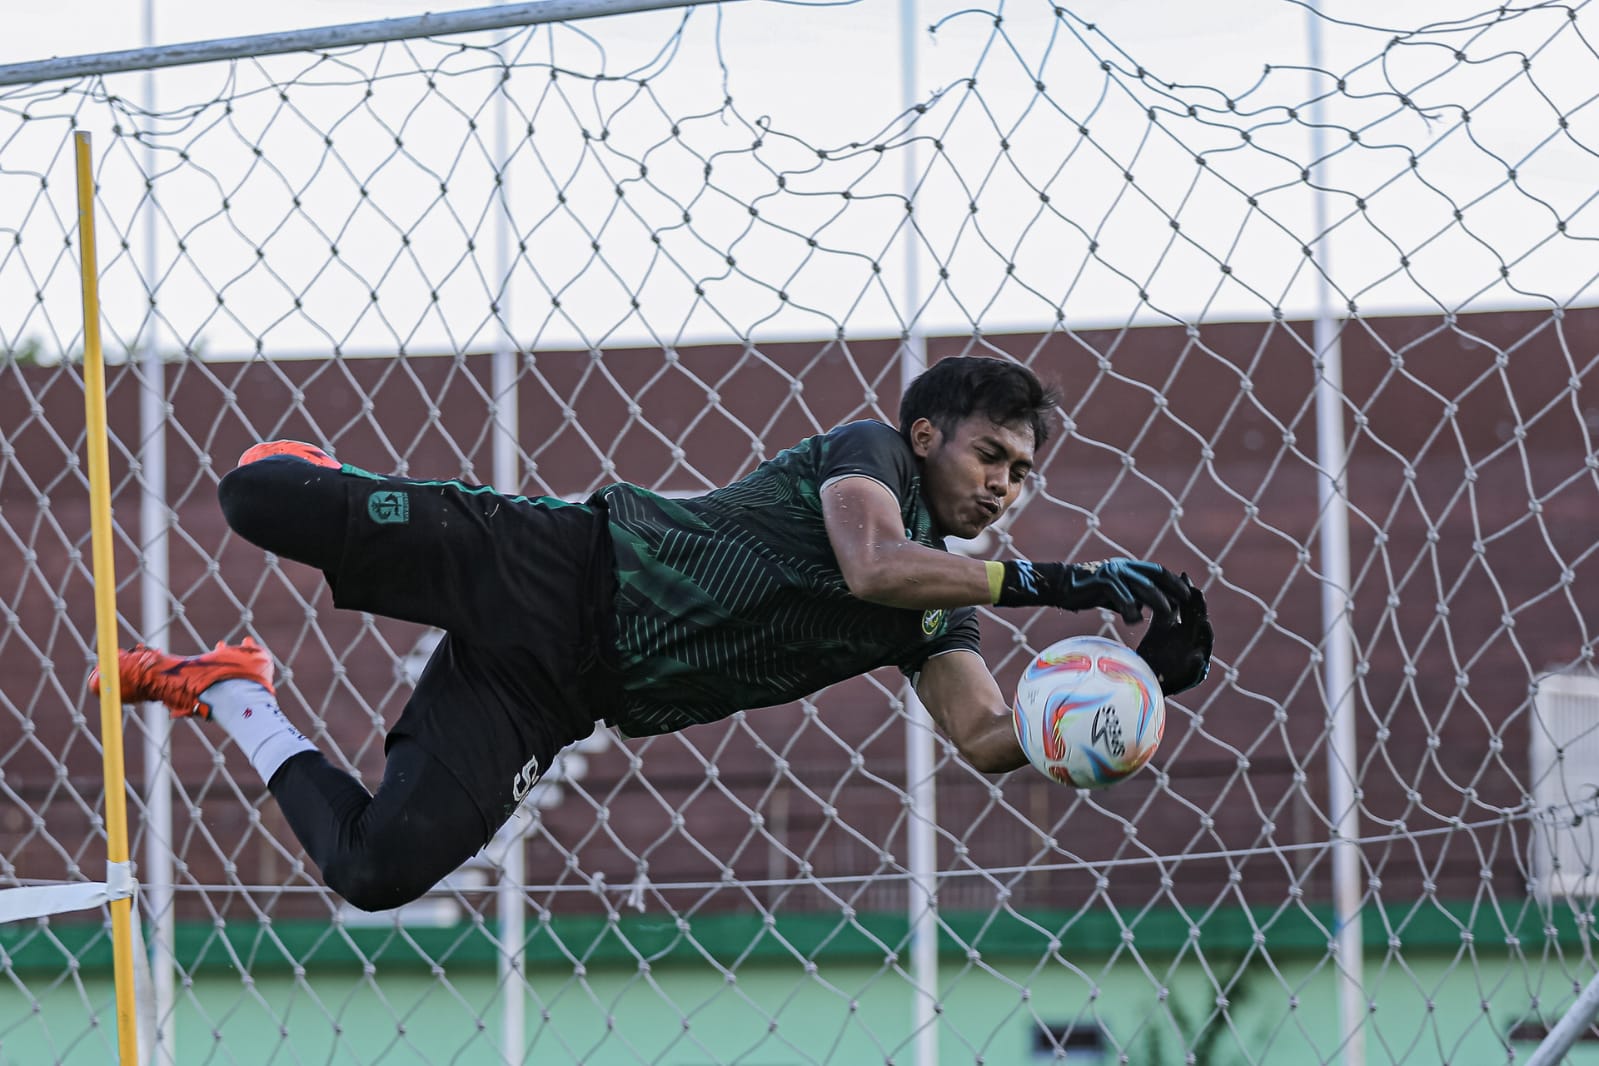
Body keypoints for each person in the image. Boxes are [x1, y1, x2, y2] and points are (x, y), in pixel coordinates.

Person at [94, 355, 1213, 912]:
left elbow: (982, 733)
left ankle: (231, 685)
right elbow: (871, 562)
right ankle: (343, 487)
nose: (1006, 486)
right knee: (259, 501)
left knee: (376, 870)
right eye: (989, 458)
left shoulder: (943, 600)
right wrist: (1063, 581)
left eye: (1023, 473)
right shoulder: (866, 455)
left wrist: (1124, 691)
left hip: (561, 690)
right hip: (556, 565)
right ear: (927, 434)